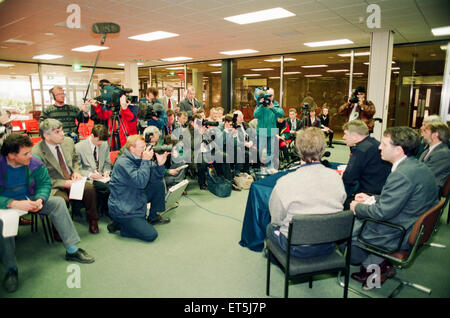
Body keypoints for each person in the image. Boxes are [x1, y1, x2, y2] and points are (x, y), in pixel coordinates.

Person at [0, 134, 95, 293]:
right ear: (11, 155)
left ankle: (72, 250)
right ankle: (11, 269)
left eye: (30, 151)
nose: (31, 155)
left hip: (28, 198)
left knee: (57, 203)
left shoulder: (34, 162)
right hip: (5, 203)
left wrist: (40, 199)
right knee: (4, 222)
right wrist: (12, 203)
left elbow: (44, 184)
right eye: (26, 153)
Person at [348, 126, 438, 290]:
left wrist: (357, 207)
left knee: (346, 230)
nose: (379, 147)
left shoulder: (401, 174)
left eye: (384, 144)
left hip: (397, 232)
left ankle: (375, 270)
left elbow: (382, 213)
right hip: (411, 224)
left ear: (398, 150)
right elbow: (401, 198)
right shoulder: (416, 166)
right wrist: (372, 198)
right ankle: (378, 266)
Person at [268, 127, 346, 258]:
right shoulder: (336, 178)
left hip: (296, 248)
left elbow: (276, 219)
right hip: (329, 244)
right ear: (322, 150)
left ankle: (280, 261)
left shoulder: (285, 182)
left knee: (270, 228)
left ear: (298, 150)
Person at [32, 119, 100, 234]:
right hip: (54, 184)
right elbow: (41, 180)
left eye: (62, 130)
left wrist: (77, 171)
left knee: (89, 190)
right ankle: (58, 228)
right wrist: (63, 183)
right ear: (46, 136)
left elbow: (75, 159)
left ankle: (93, 220)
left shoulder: (68, 142)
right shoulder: (37, 152)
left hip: (72, 179)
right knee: (60, 201)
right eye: (57, 132)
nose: (62, 134)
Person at [107, 134, 170, 242]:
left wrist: (160, 165)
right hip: (124, 207)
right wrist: (145, 161)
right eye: (142, 148)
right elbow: (141, 182)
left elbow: (156, 177)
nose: (145, 150)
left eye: (145, 147)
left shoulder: (138, 158)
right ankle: (122, 226)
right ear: (132, 149)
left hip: (134, 196)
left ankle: (153, 217)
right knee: (151, 235)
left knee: (157, 184)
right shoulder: (123, 162)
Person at [341, 120, 391, 205]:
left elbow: (348, 178)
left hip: (369, 195)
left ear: (354, 136)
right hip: (383, 191)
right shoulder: (374, 142)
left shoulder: (361, 150)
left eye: (346, 134)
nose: (343, 137)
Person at [75, 124, 111, 216]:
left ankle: (106, 209)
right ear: (92, 136)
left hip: (102, 176)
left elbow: (107, 163)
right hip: (88, 178)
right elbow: (77, 168)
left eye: (102, 141)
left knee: (117, 185)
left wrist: (107, 171)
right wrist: (90, 174)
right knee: (107, 188)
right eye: (98, 140)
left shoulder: (104, 144)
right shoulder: (79, 147)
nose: (100, 143)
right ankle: (104, 210)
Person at [253, 87, 284, 174]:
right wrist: (261, 105)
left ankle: (270, 167)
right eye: (268, 95)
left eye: (271, 95)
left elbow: (281, 114)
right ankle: (259, 168)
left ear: (273, 96)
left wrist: (273, 107)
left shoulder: (275, 104)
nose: (269, 97)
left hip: (272, 131)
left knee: (271, 151)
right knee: (259, 151)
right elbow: (255, 115)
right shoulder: (260, 104)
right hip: (262, 131)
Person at [419, 122, 450, 190]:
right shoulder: (426, 151)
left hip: (429, 190)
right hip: (421, 187)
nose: (422, 134)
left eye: (425, 132)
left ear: (435, 135)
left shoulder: (443, 154)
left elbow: (426, 175)